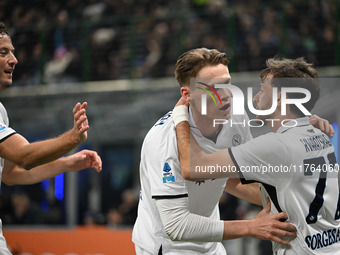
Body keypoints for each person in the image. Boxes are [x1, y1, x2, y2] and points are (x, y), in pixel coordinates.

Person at [131, 48, 336, 255]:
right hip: (166, 246)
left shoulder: (236, 119)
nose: (226, 95)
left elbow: (234, 179)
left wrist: (300, 126)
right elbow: (176, 226)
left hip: (209, 243)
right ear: (187, 94)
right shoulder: (161, 141)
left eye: (227, 83)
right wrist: (250, 227)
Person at [0, 22, 102, 254]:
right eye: (3, 53)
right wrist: (73, 138)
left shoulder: (1, 110)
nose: (14, 60)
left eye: (13, 52)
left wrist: (67, 162)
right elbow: (23, 156)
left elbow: (10, 174)